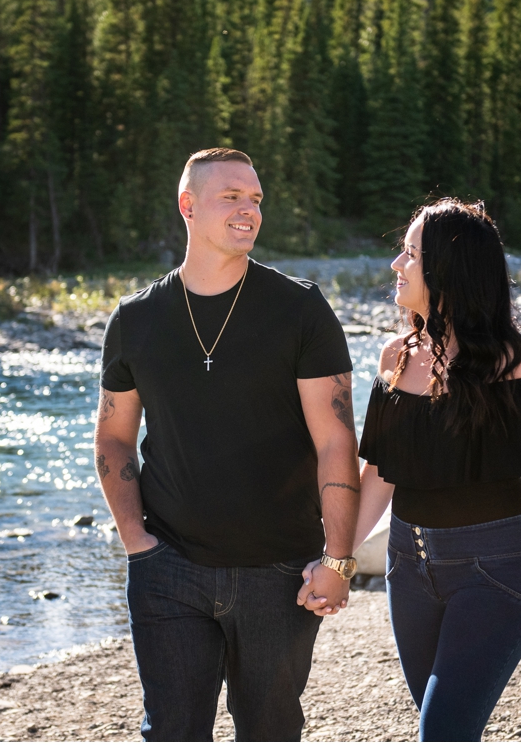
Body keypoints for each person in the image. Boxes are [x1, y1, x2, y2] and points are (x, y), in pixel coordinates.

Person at [93, 147, 362, 741]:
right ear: (187, 206)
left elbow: (337, 440)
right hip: (168, 569)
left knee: (270, 731)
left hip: (280, 571)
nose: (250, 210)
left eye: (257, 199)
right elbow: (114, 436)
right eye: (232, 197)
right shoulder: (136, 319)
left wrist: (339, 559)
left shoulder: (301, 310)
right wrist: (137, 542)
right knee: (172, 732)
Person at [347, 198, 521, 741]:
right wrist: (334, 557)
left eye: (410, 254)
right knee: (449, 732)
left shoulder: (514, 362)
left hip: (495, 573)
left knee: (440, 735)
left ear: (446, 271)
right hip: (407, 572)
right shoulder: (395, 358)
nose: (396, 265)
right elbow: (380, 476)